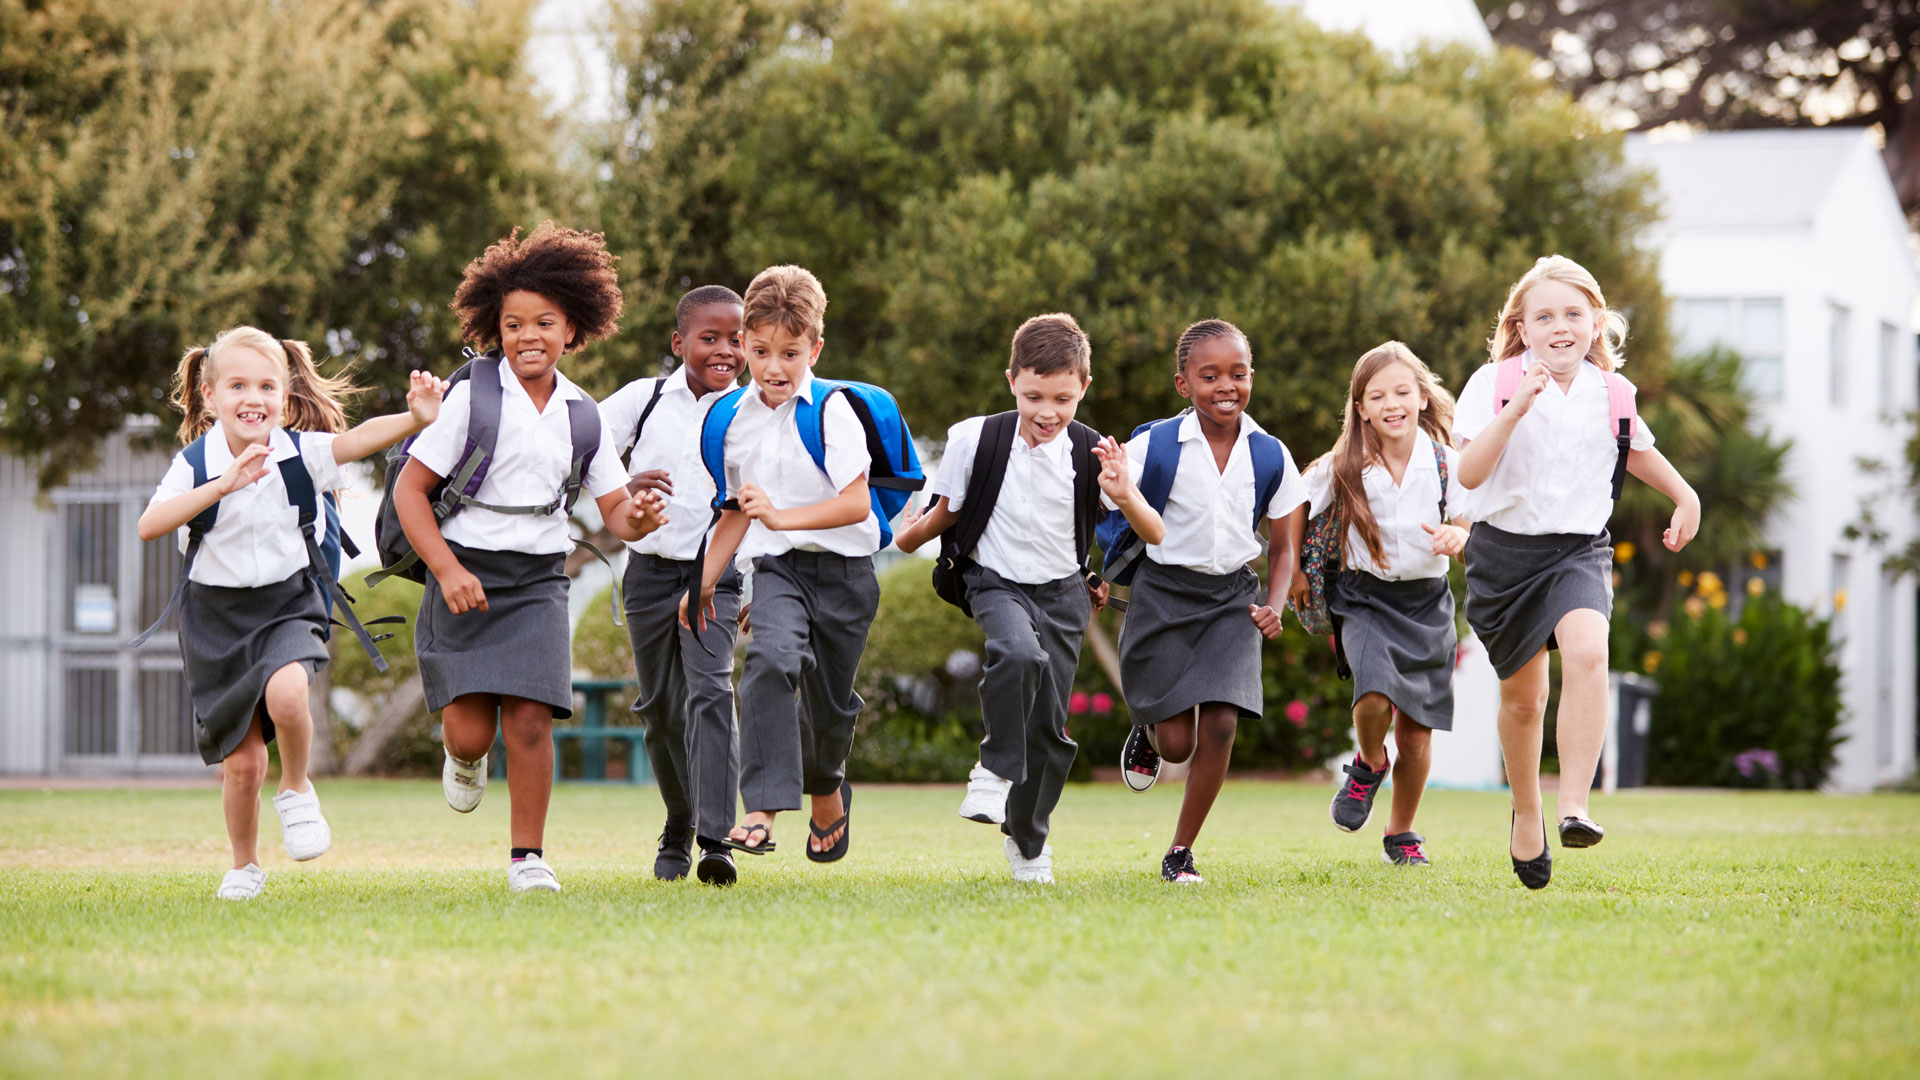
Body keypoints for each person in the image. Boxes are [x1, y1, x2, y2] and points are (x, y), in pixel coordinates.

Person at [394, 223, 666, 894]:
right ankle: (463, 760)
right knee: (468, 731)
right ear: (496, 329)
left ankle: (528, 859)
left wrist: (642, 516)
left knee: (532, 718)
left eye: (544, 322)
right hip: (464, 571)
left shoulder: (584, 415)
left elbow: (615, 514)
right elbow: (409, 491)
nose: (528, 335)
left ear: (573, 329)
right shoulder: (472, 397)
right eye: (514, 324)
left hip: (539, 579)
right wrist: (449, 571)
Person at [137, 326, 446, 900]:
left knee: (286, 697)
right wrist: (223, 485)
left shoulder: (301, 453)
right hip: (214, 617)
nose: (251, 398)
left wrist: (415, 419)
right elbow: (150, 524)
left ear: (283, 397)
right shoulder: (195, 463)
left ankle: (298, 787)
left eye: (266, 386)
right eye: (236, 385)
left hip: (287, 601)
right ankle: (244, 866)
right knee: (244, 764)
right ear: (210, 396)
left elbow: (357, 441)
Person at [1454, 254, 1699, 889]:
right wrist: (1515, 409)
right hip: (1503, 556)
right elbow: (1470, 473)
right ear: (1523, 327)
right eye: (1545, 316)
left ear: (1596, 322)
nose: (1560, 326)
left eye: (1573, 313)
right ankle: (1527, 811)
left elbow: (1639, 450)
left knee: (1589, 652)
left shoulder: (1612, 394)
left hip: (1578, 551)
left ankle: (1574, 805)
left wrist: (1687, 497)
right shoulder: (1493, 383)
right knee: (1525, 700)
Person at [894, 313, 1162, 884]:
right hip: (993, 581)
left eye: (1062, 398)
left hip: (1064, 593)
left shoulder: (1097, 454)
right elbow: (948, 513)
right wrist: (907, 534)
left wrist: (1123, 490)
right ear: (1011, 379)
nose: (1047, 411)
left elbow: (1154, 531)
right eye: (1033, 394)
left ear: (1083, 388)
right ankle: (992, 768)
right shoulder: (975, 439)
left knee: (1051, 731)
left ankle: (1028, 837)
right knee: (1017, 654)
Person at [680, 265, 878, 867]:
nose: (773, 367)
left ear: (814, 349)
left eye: (789, 353)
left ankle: (825, 789)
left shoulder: (834, 411)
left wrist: (781, 516)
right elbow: (737, 513)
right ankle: (761, 810)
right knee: (769, 661)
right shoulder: (732, 419)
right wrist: (703, 582)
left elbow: (855, 502)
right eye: (760, 350)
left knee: (829, 705)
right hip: (778, 571)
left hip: (846, 573)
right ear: (744, 344)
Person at [1112, 320, 1307, 884]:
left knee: (1221, 723)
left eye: (1238, 374)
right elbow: (1108, 505)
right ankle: (1147, 731)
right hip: (1164, 595)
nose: (1227, 386)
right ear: (1183, 385)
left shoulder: (1269, 453)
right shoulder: (1154, 445)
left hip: (1231, 600)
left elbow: (1282, 545)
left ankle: (1180, 852)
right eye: (1210, 375)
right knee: (1176, 746)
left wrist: (1275, 603)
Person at [600, 284, 748, 886]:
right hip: (648, 574)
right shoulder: (644, 398)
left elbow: (759, 506)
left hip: (718, 575)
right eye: (708, 338)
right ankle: (679, 822)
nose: (724, 351)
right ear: (678, 341)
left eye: (736, 340)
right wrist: (625, 482)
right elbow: (585, 452)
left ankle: (717, 840)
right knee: (660, 711)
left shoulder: (754, 411)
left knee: (711, 694)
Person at [1298, 342, 1467, 867]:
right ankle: (1370, 762)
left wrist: (1456, 537)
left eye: (1402, 391)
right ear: (1361, 407)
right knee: (1372, 697)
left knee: (1416, 735)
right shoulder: (1340, 466)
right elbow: (1291, 511)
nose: (1391, 403)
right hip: (1364, 597)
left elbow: (1466, 519)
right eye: (1377, 395)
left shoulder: (1447, 464)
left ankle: (1402, 832)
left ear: (1421, 397)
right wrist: (1296, 573)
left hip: (1427, 604)